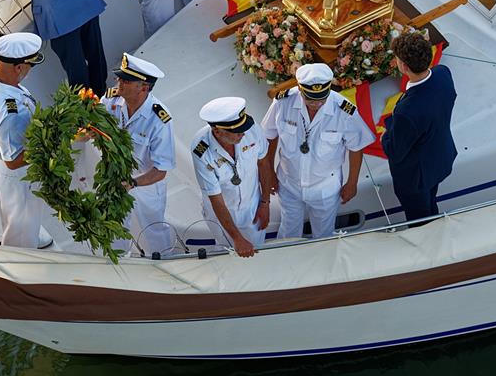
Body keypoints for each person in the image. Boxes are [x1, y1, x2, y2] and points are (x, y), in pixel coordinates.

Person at [262, 63, 373, 239]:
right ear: (299, 89)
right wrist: (268, 173)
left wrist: (352, 182)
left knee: (324, 236)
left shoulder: (343, 109)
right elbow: (269, 136)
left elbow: (356, 146)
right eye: (311, 98)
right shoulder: (283, 102)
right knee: (288, 232)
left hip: (325, 188)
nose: (317, 103)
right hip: (289, 183)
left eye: (322, 98)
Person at [0, 32, 52, 248]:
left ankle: (23, 235)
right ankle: (20, 256)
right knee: (22, 219)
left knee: (10, 211)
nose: (29, 70)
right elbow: (14, 160)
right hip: (17, 174)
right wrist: (52, 145)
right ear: (18, 67)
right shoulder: (12, 112)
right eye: (29, 66)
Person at [101, 53, 176, 256]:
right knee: (114, 229)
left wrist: (132, 183)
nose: (119, 83)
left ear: (143, 87)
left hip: (146, 185)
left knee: (153, 231)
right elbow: (94, 123)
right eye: (119, 77)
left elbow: (161, 170)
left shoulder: (159, 120)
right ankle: (119, 266)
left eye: (126, 80)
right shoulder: (110, 101)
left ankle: (164, 267)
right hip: (115, 178)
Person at [381, 32, 457, 223]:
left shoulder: (408, 112)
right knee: (431, 202)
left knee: (420, 222)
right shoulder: (443, 74)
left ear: (404, 66)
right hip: (439, 158)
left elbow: (395, 151)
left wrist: (386, 133)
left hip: (416, 177)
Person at [191, 97, 272, 258]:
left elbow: (263, 164)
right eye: (236, 131)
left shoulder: (252, 130)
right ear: (217, 131)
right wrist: (237, 238)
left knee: (258, 255)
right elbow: (216, 199)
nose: (243, 133)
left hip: (252, 206)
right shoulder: (201, 149)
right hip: (222, 213)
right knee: (227, 256)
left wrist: (265, 203)